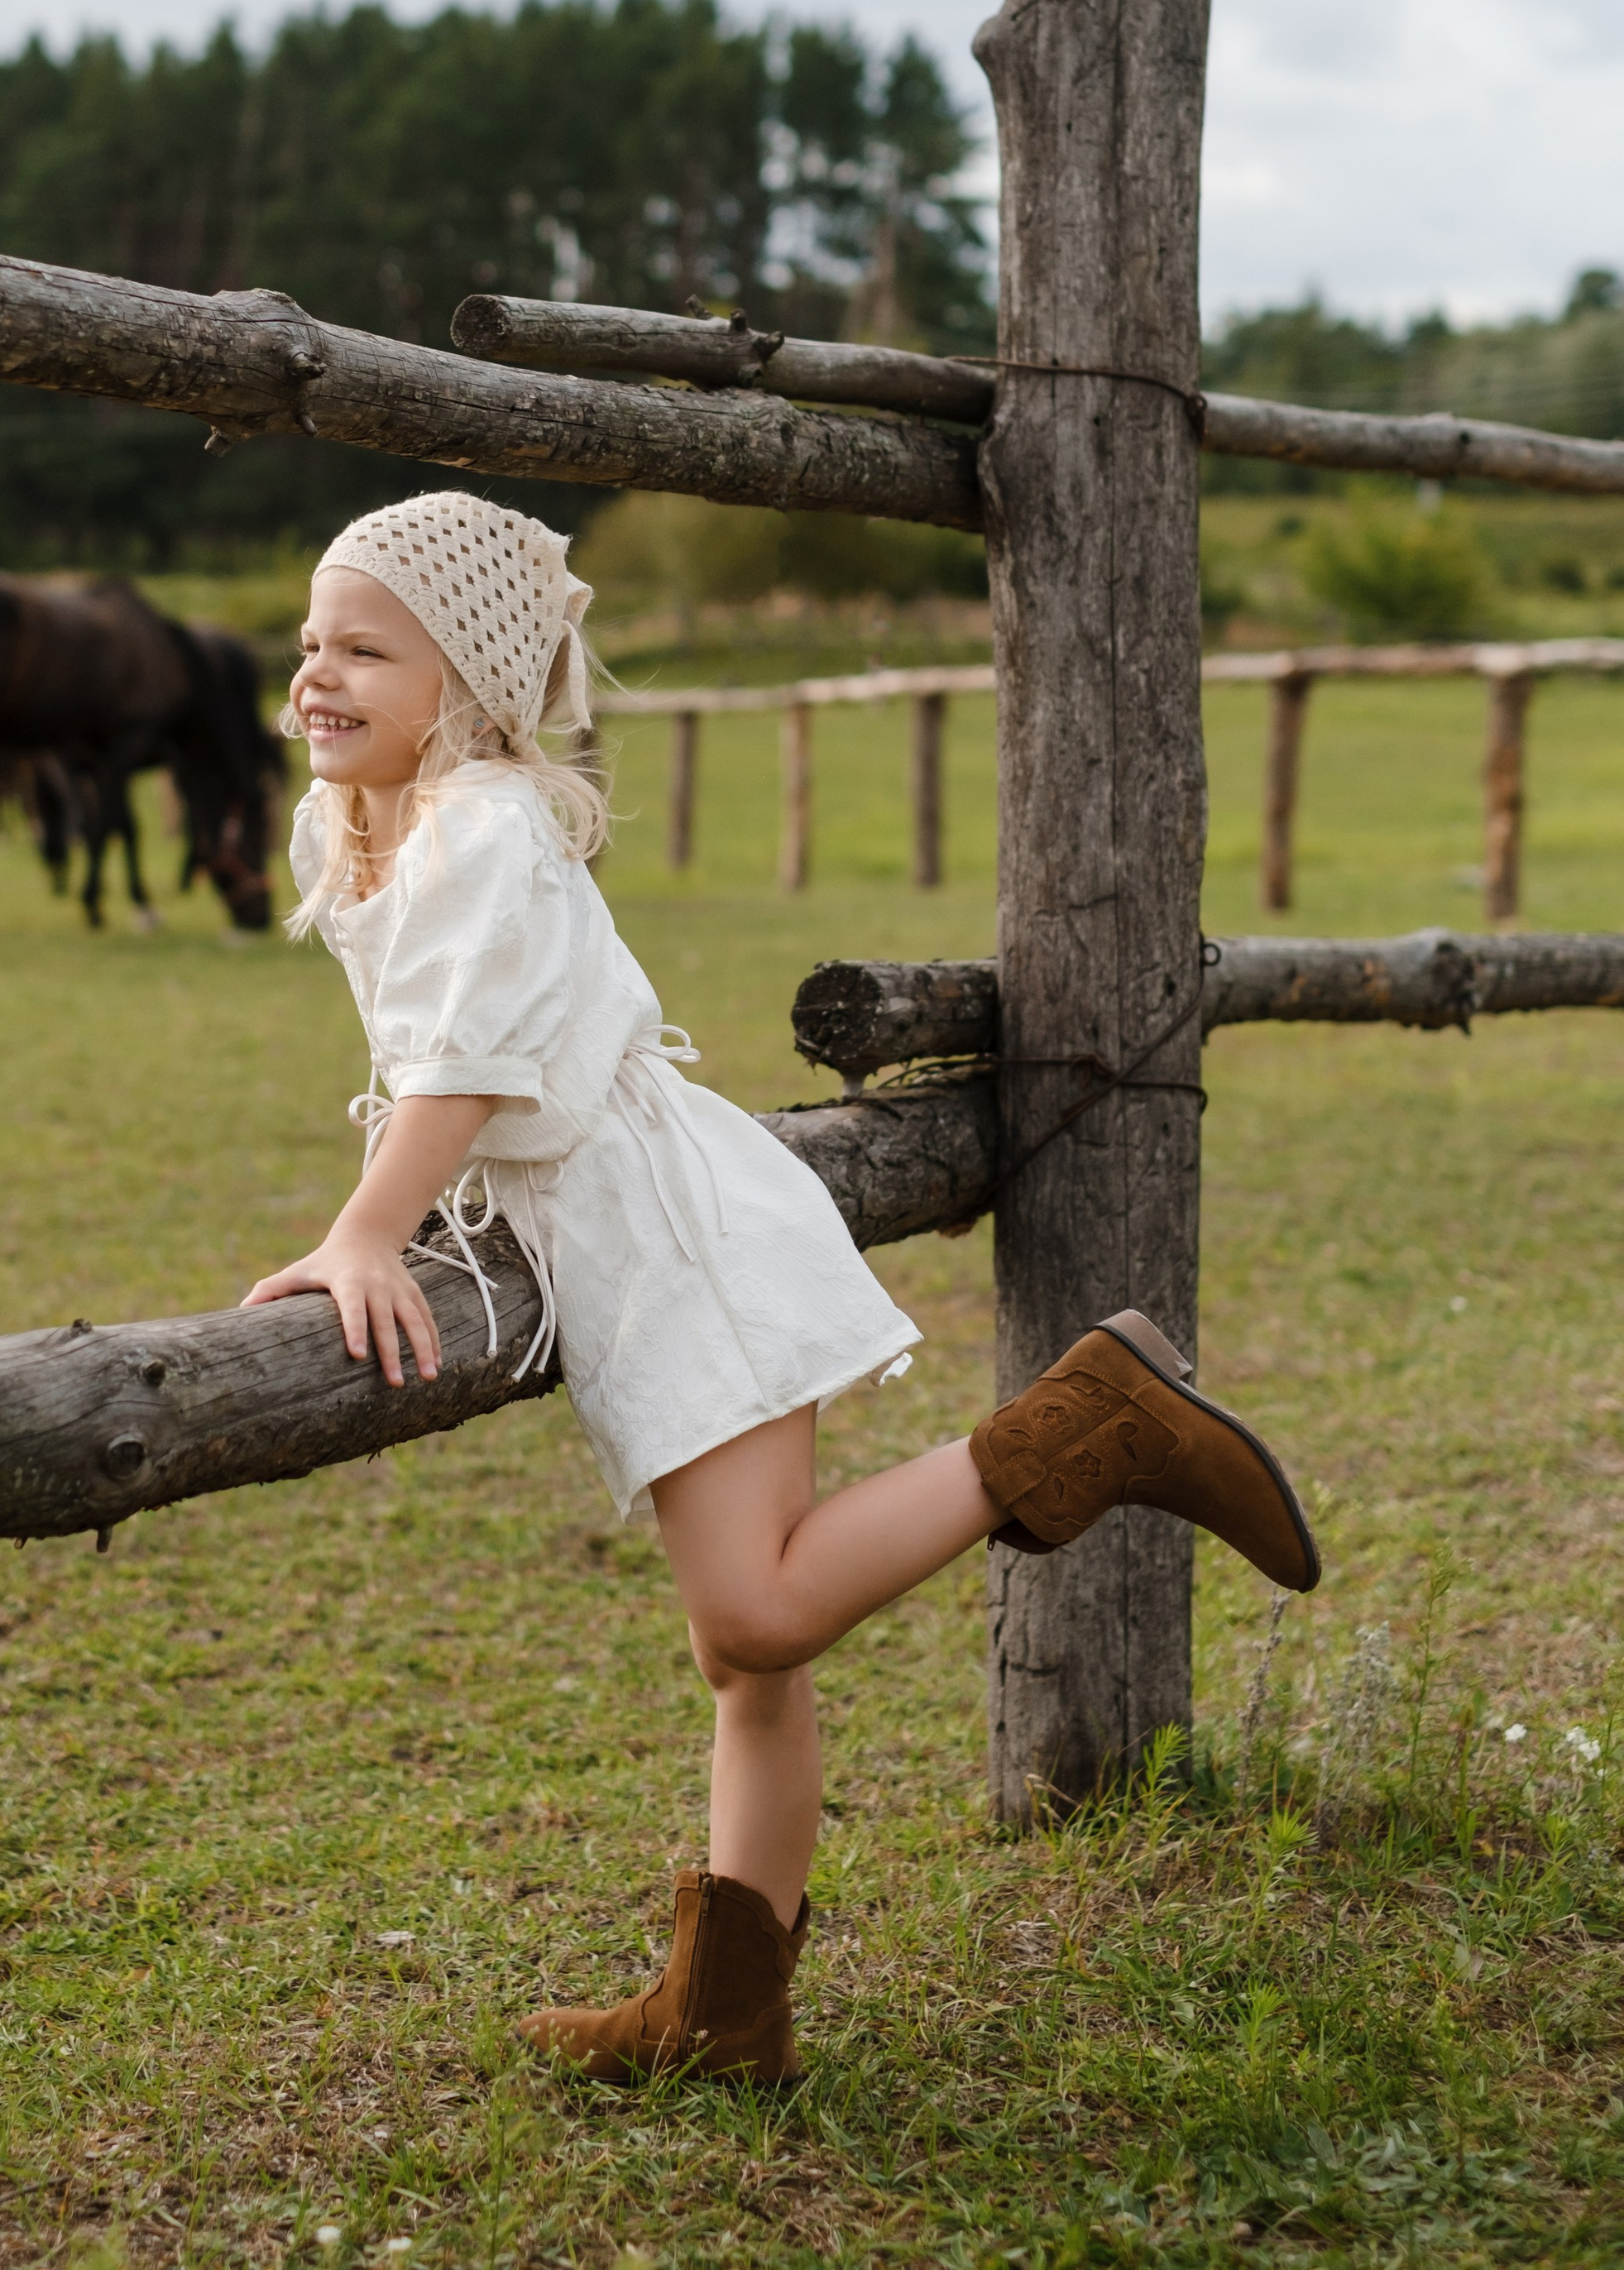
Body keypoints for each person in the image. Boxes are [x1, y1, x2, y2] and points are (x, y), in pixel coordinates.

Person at [241, 492, 1320, 2090]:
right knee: (748, 1661)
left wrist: (368, 1234)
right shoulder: (362, 823)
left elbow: (464, 1066)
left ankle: (1100, 1421)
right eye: (311, 642)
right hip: (624, 1226)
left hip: (671, 1233)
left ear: (466, 682)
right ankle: (728, 2013)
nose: (318, 674)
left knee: (753, 1610)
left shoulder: (483, 826)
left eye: (365, 650)